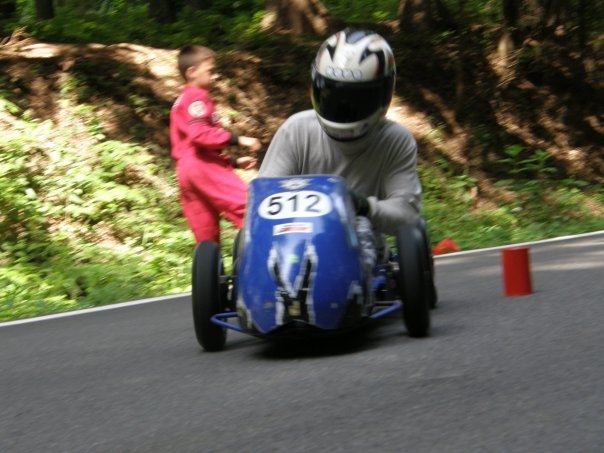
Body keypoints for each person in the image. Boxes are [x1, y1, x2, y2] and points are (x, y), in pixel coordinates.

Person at [259, 29, 423, 269]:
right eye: (333, 95)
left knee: (367, 236)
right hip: (295, 245)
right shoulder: (296, 130)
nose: (343, 107)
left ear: (384, 94)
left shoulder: (395, 140)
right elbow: (263, 200)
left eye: (356, 99)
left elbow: (407, 215)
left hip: (360, 247)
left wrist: (364, 206)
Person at [170, 44, 262, 243]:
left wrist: (234, 162)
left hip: (186, 172)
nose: (215, 76)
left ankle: (209, 264)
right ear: (192, 72)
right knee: (254, 209)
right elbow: (200, 135)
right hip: (201, 166)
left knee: (206, 236)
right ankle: (269, 258)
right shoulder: (196, 97)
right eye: (210, 71)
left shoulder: (182, 100)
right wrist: (240, 139)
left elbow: (193, 146)